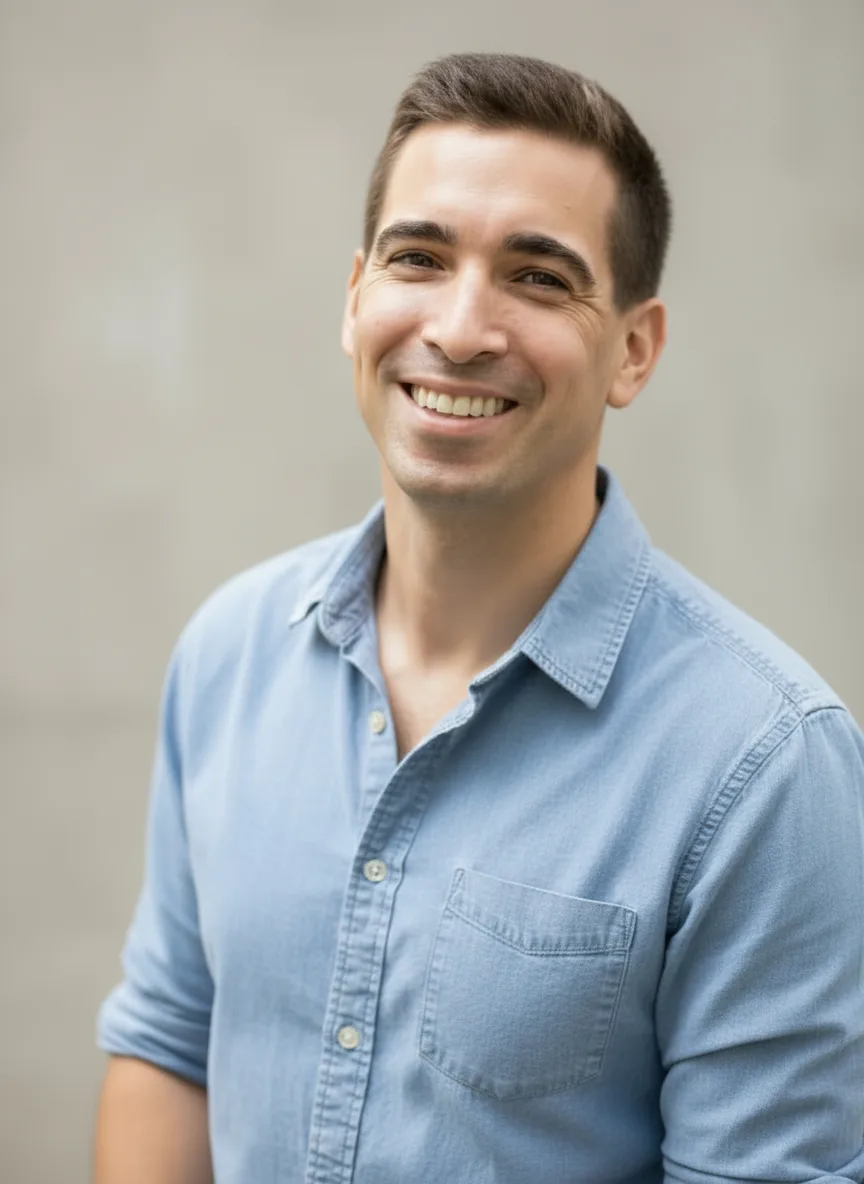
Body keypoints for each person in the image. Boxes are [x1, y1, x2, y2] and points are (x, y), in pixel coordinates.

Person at [93, 52, 864, 1184]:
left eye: (539, 278)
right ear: (356, 293)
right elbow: (167, 1044)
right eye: (419, 258)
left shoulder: (765, 765)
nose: (459, 328)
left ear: (635, 349)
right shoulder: (230, 651)